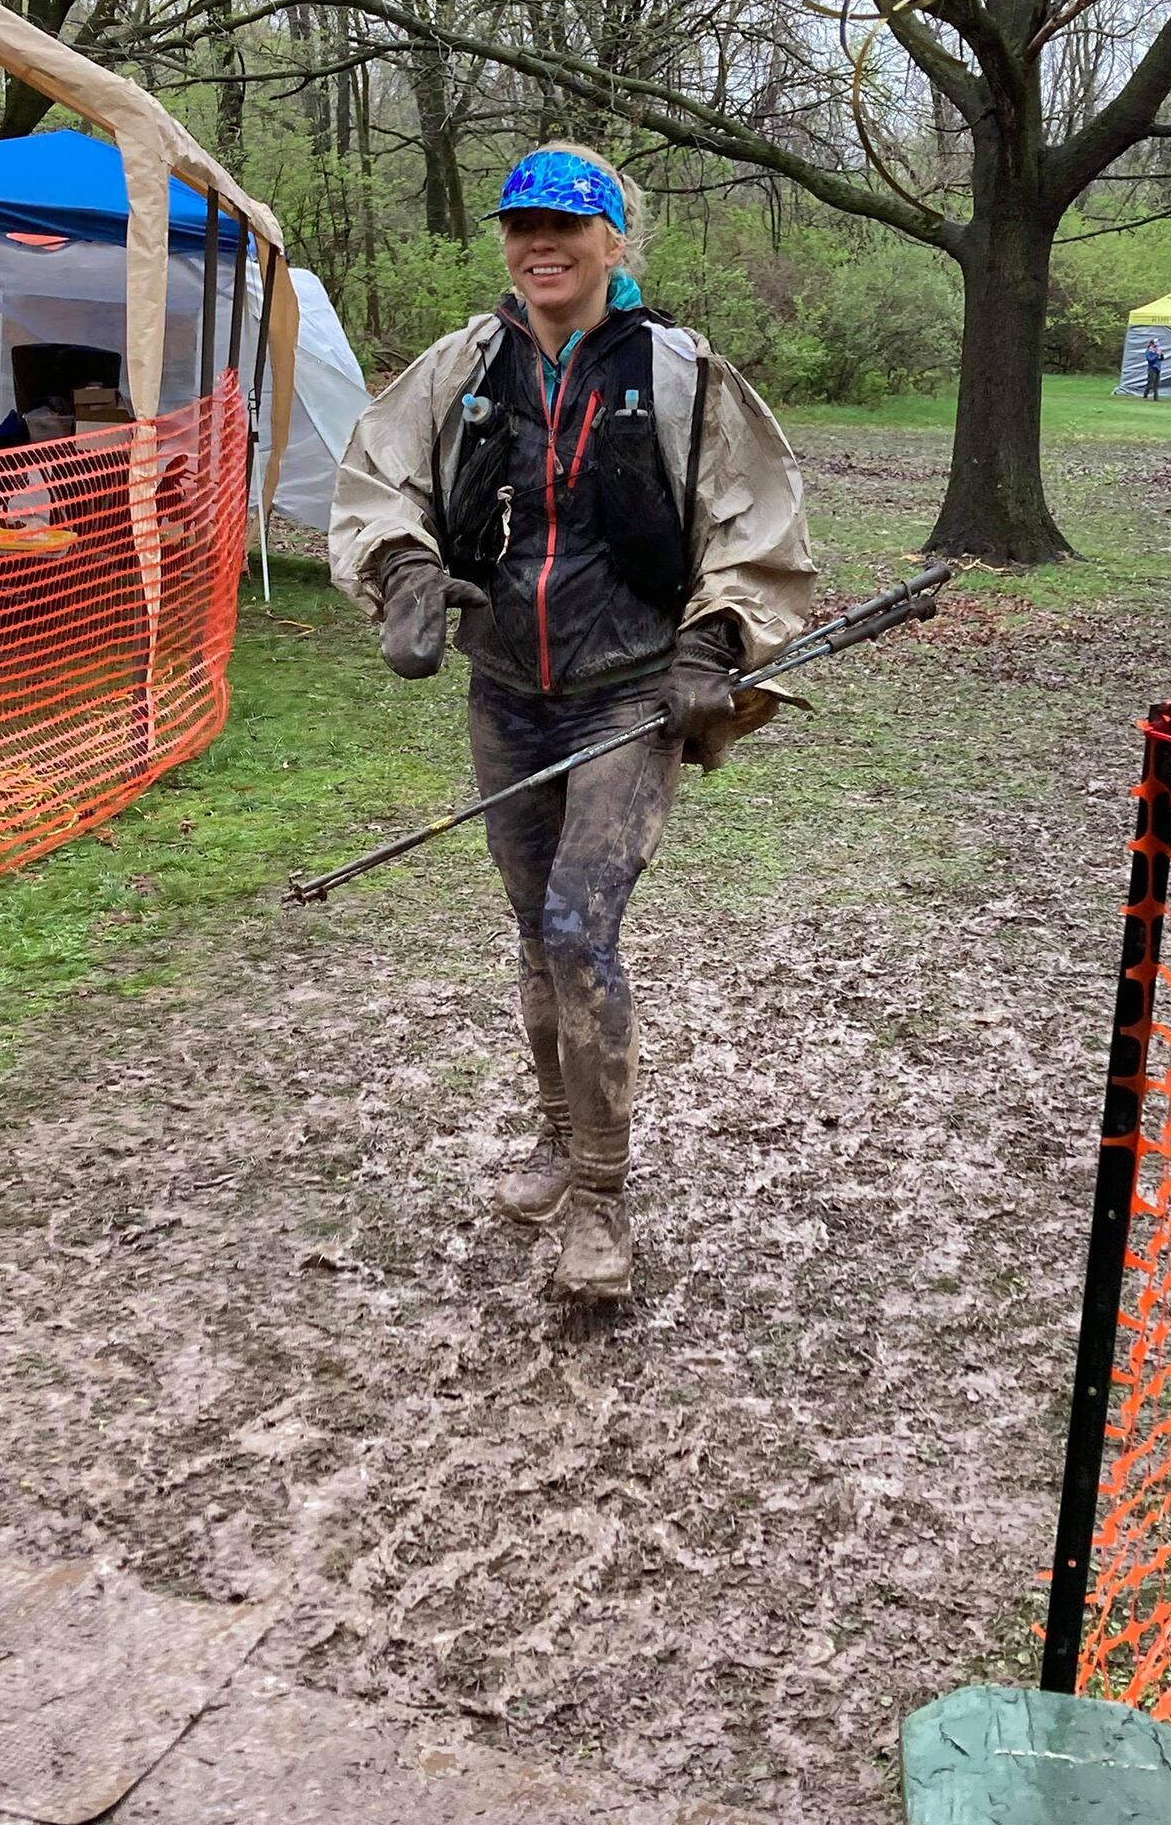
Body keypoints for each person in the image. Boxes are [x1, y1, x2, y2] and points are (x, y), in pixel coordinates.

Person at [329, 145, 815, 1303]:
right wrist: (401, 572)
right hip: (506, 693)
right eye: (520, 228)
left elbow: (758, 521)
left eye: (566, 227)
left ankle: (599, 1196)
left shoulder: (682, 374)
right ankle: (556, 1138)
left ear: (614, 243)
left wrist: (712, 647)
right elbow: (377, 476)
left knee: (576, 926)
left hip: (626, 697)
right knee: (532, 930)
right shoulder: (464, 364)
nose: (539, 246)